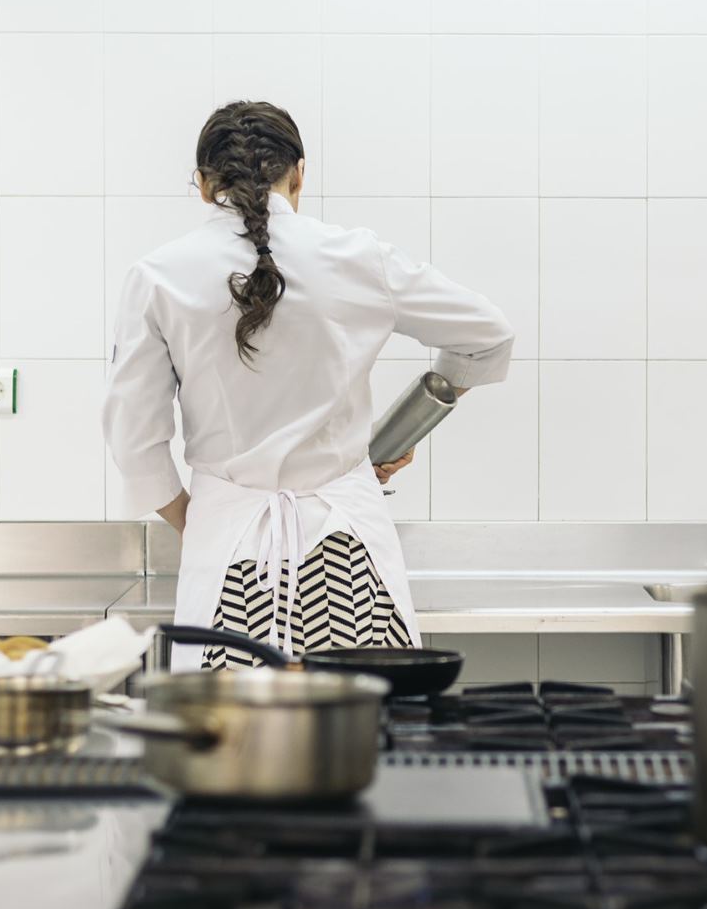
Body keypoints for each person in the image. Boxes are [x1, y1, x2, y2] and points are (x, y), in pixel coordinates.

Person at [102, 101, 513, 668]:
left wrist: (200, 519)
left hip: (228, 557)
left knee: (232, 745)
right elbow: (488, 334)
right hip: (349, 552)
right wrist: (411, 421)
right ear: (299, 174)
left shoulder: (158, 276)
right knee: (363, 739)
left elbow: (134, 441)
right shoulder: (360, 257)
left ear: (202, 185)